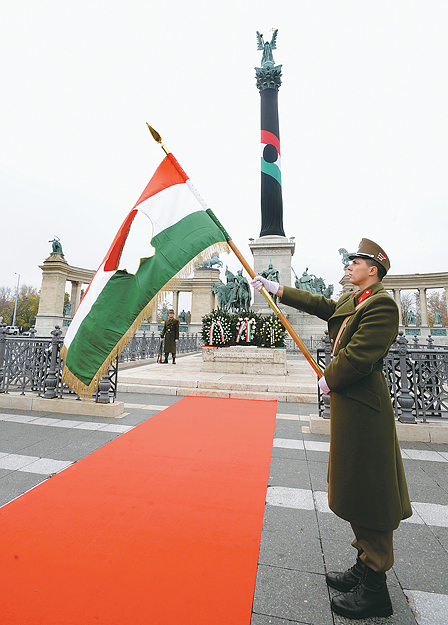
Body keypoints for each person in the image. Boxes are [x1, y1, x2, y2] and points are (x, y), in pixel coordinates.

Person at [251, 238, 412, 620]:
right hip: (351, 404)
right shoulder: (357, 300)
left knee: (370, 488)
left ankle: (375, 587)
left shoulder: (382, 305)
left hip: (365, 407)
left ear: (372, 269)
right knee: (354, 483)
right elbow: (324, 306)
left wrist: (329, 379)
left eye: (355, 261)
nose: (349, 265)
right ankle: (363, 561)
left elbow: (359, 355)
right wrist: (277, 289)